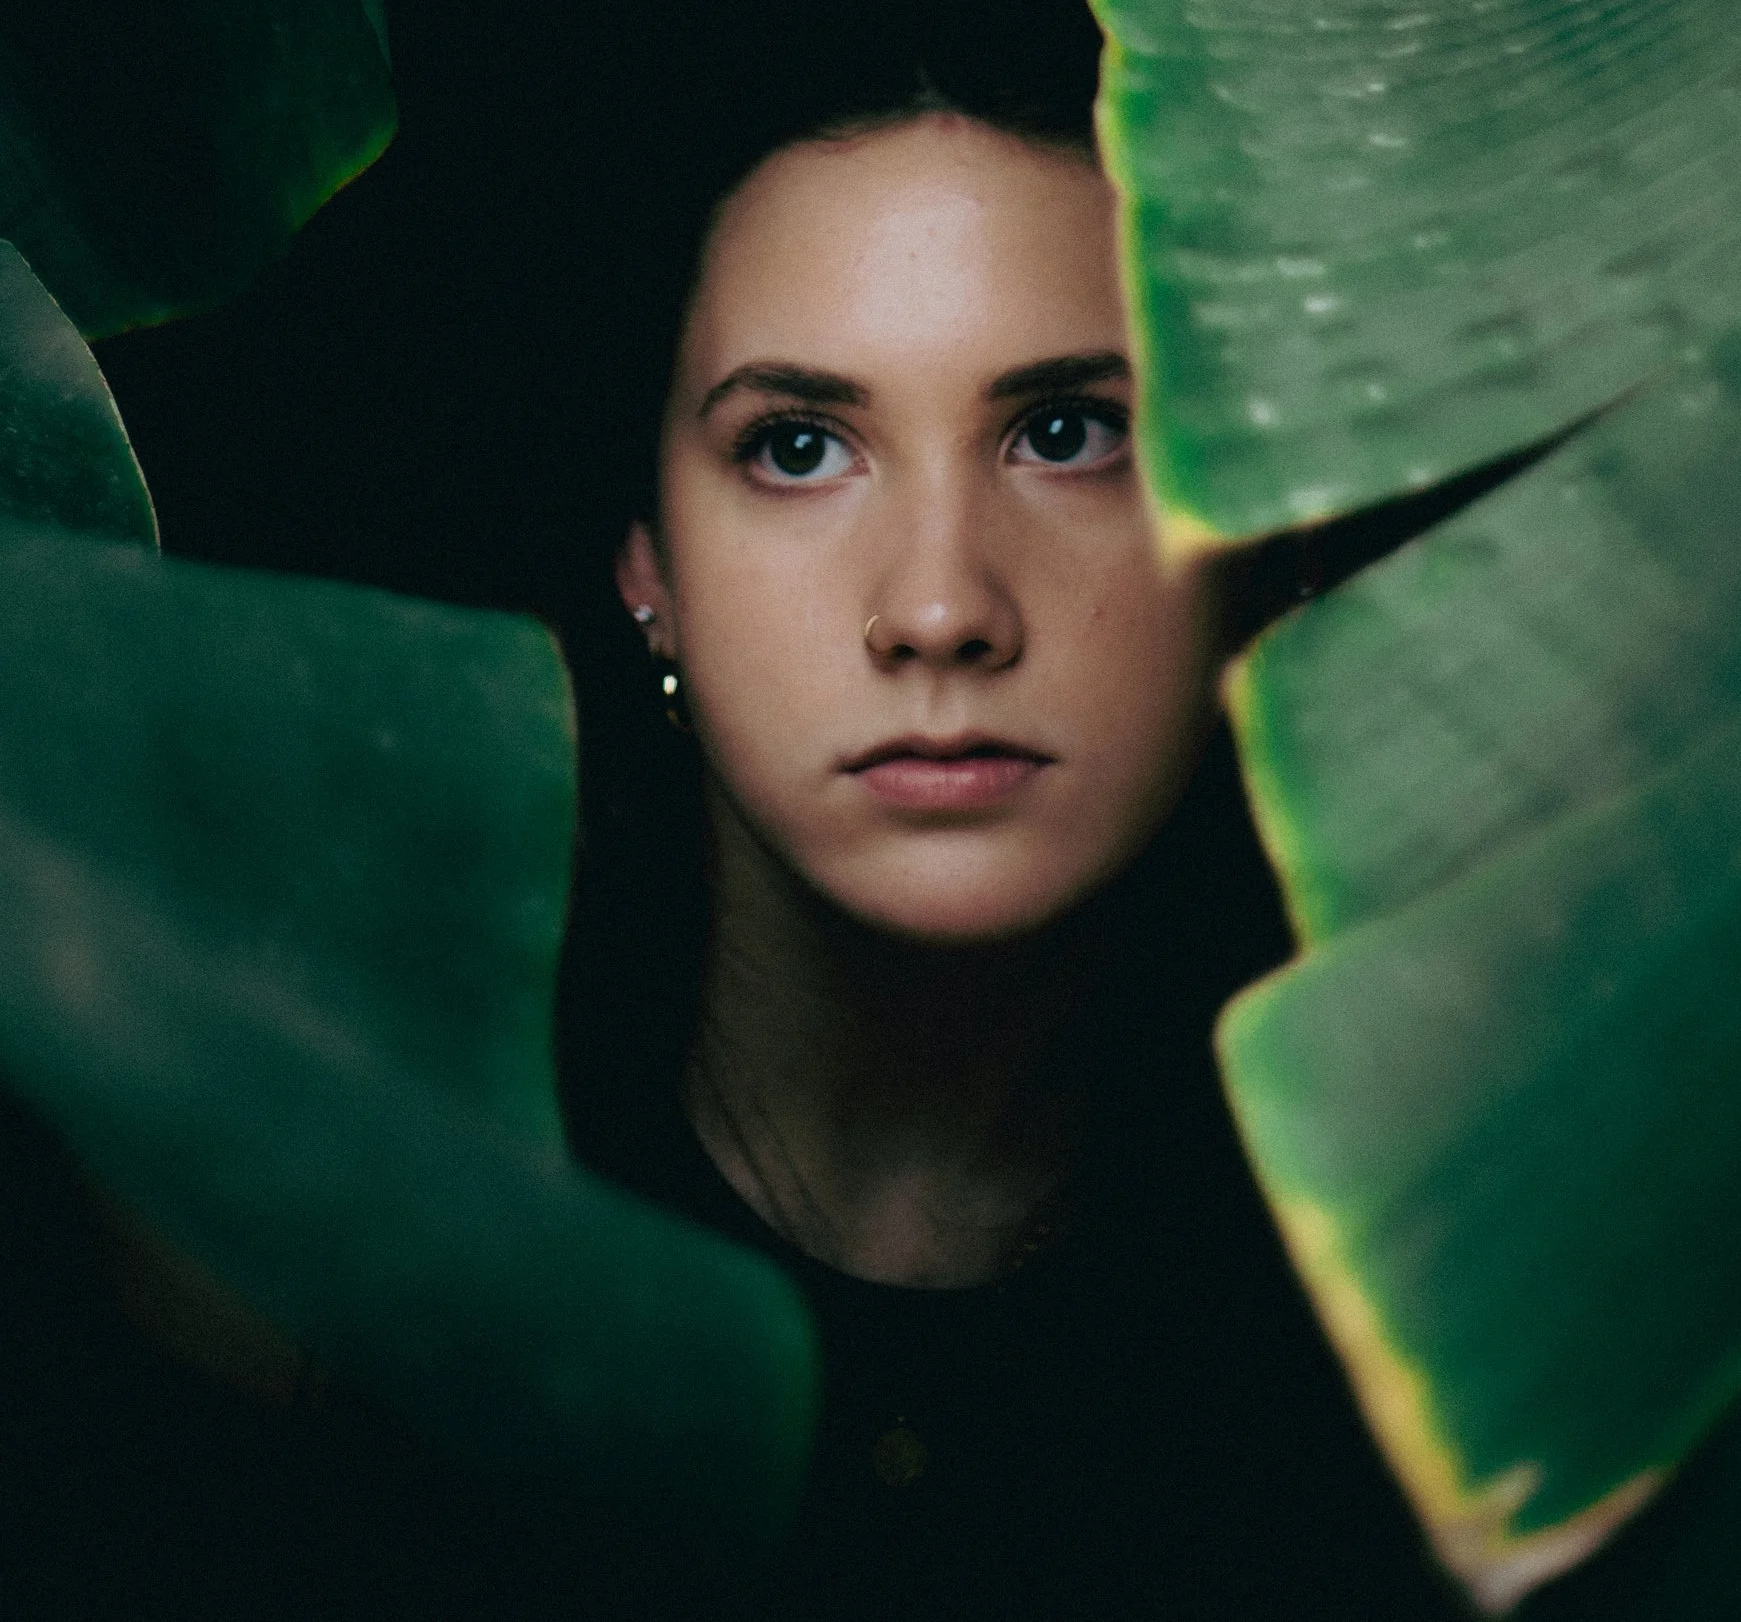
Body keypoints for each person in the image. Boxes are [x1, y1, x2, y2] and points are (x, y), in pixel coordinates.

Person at [557, 87, 1463, 1622]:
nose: (939, 610)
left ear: (1265, 547)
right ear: (648, 567)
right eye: (795, 448)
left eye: (1065, 435)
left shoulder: (1459, 1330)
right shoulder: (308, 1261)